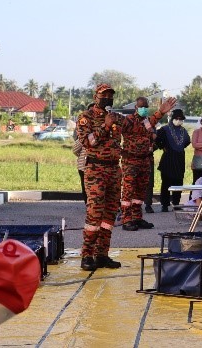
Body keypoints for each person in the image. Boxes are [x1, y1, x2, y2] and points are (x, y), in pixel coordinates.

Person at [76, 83, 123, 270]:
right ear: (96, 97)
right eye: (104, 95)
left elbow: (137, 128)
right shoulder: (85, 117)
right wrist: (105, 125)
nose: (108, 98)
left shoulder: (117, 117)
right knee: (94, 214)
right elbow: (88, 142)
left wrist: (159, 113)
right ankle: (87, 255)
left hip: (114, 170)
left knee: (109, 215)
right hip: (96, 170)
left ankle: (102, 254)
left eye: (110, 95)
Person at [120, 96, 176, 230]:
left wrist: (161, 112)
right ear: (136, 107)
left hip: (145, 160)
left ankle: (137, 218)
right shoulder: (128, 120)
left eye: (146, 107)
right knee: (128, 191)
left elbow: (151, 123)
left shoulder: (146, 121)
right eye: (141, 106)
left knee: (140, 192)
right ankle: (126, 220)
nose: (144, 109)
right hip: (131, 161)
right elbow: (118, 133)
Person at [156, 109, 191, 212]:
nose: (178, 120)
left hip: (179, 158)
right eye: (177, 118)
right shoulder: (164, 129)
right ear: (172, 119)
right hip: (168, 158)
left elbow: (187, 142)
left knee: (178, 182)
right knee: (166, 182)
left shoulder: (183, 131)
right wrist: (163, 147)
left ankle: (176, 203)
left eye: (181, 119)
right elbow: (157, 140)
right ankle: (165, 205)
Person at [72, 103, 94, 204]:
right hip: (84, 165)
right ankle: (88, 205)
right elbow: (75, 149)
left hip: (100, 165)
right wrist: (82, 156)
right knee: (85, 187)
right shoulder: (83, 127)